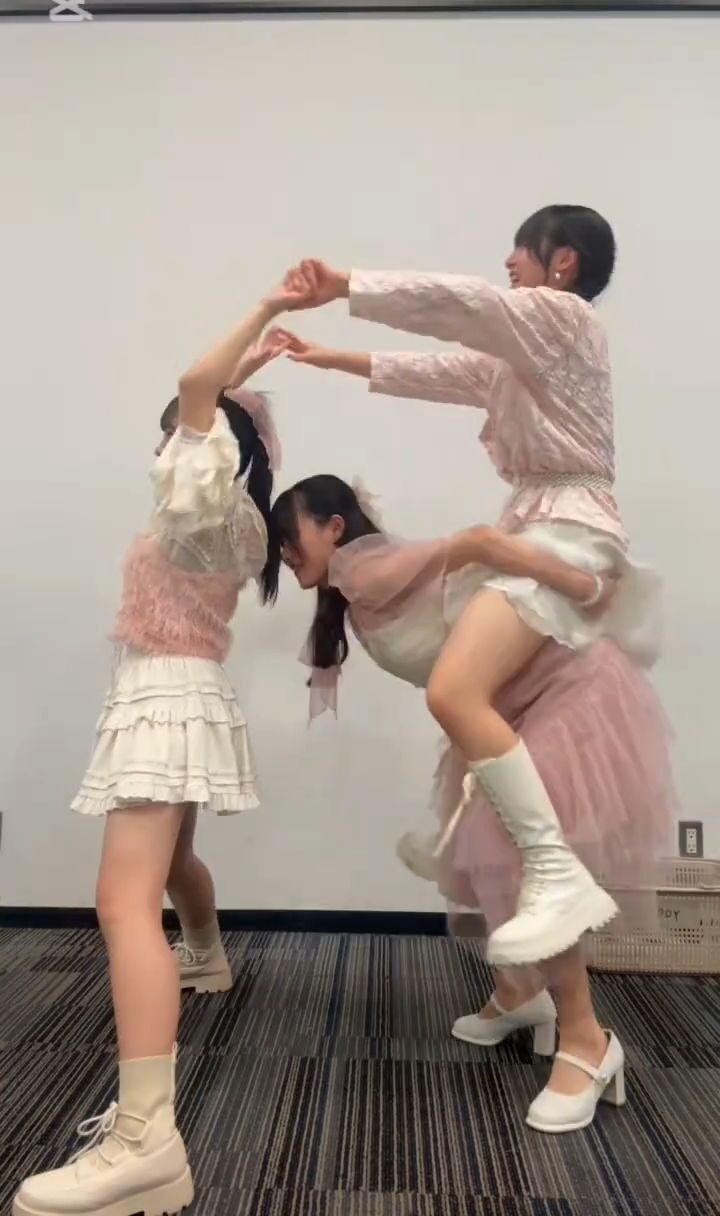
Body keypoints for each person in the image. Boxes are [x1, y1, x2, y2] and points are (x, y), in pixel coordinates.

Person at [269, 204, 662, 971]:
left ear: (563, 262)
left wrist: (345, 284)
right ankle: (514, 938)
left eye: (520, 252)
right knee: (471, 704)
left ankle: (555, 873)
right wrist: (328, 358)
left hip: (567, 531)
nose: (508, 265)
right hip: (539, 530)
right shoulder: (524, 361)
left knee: (454, 692)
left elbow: (460, 305)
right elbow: (435, 371)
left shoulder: (564, 321)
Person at [263, 475, 675, 1132]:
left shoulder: (364, 569)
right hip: (509, 711)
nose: (285, 553)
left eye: (291, 536)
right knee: (483, 858)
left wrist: (589, 587)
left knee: (530, 866)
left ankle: (588, 1041)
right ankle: (521, 994)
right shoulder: (355, 587)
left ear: (335, 528)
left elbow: (481, 543)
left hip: (563, 693)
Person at [12, 294, 297, 1216]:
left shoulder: (201, 500)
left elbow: (194, 387)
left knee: (121, 903)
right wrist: (245, 381)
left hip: (165, 697)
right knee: (170, 866)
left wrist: (266, 313)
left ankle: (146, 1141)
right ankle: (205, 957)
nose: (167, 441)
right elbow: (204, 401)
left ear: (209, 444)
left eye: (182, 431)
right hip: (184, 694)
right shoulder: (232, 514)